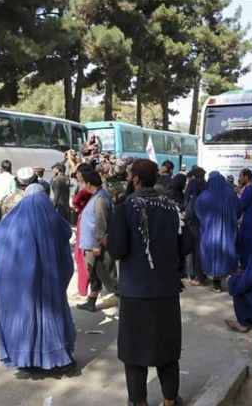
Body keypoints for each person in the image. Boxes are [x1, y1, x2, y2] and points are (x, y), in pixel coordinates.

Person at [107, 158, 190, 406]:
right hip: (167, 291)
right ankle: (170, 401)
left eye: (129, 175)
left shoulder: (125, 208)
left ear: (135, 179)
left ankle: (139, 402)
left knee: (134, 352)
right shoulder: (172, 207)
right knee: (167, 349)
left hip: (135, 292)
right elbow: (188, 243)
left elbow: (117, 250)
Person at [0, 184, 77, 372]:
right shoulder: (53, 218)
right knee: (51, 315)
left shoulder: (15, 219)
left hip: (24, 283)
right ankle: (59, 361)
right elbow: (67, 232)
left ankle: (27, 360)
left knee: (26, 316)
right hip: (50, 280)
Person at [76, 169, 118, 312]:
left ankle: (124, 301)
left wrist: (97, 245)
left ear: (89, 183)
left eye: (84, 183)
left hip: (96, 245)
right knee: (94, 274)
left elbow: (101, 224)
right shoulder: (97, 196)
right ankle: (91, 302)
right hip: (90, 244)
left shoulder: (100, 199)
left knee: (107, 275)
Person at [196, 171, 239, 293]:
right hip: (227, 231)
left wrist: (205, 222)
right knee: (228, 253)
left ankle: (217, 284)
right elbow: (239, 207)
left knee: (213, 255)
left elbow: (198, 210)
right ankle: (231, 281)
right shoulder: (230, 193)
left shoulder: (205, 195)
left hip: (210, 231)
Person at [184, 168, 209, 286]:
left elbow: (187, 199)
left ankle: (192, 274)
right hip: (201, 218)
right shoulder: (205, 184)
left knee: (191, 245)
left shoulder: (193, 183)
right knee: (199, 246)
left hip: (191, 217)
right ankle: (200, 273)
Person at [236, 168, 252, 270]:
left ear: (246, 177)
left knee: (245, 245)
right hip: (248, 220)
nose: (240, 179)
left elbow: (241, 204)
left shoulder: (249, 189)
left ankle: (245, 266)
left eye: (241, 176)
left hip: (246, 221)